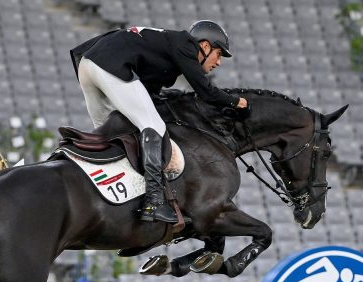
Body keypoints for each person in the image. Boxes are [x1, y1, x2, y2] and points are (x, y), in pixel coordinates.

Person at [70, 21, 248, 223]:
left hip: (88, 64)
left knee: (110, 135)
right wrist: (237, 102)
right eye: (219, 54)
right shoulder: (187, 45)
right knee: (153, 126)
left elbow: (150, 92)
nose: (218, 62)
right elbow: (206, 91)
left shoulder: (168, 49)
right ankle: (153, 202)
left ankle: (103, 195)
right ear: (205, 46)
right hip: (109, 66)